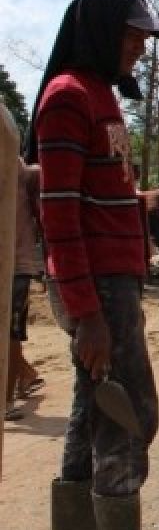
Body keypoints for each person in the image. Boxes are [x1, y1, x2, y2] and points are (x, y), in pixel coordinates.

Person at [23, 0, 159, 530]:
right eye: (133, 38)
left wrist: (140, 203)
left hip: (109, 283)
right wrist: (86, 311)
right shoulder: (69, 98)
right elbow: (59, 214)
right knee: (130, 412)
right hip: (98, 289)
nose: (141, 51)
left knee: (92, 411)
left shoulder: (99, 99)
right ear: (99, 32)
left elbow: (91, 195)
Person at [7, 160, 45, 421]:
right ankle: (26, 374)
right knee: (9, 332)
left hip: (15, 263)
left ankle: (6, 400)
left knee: (9, 332)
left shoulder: (14, 163)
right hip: (15, 261)